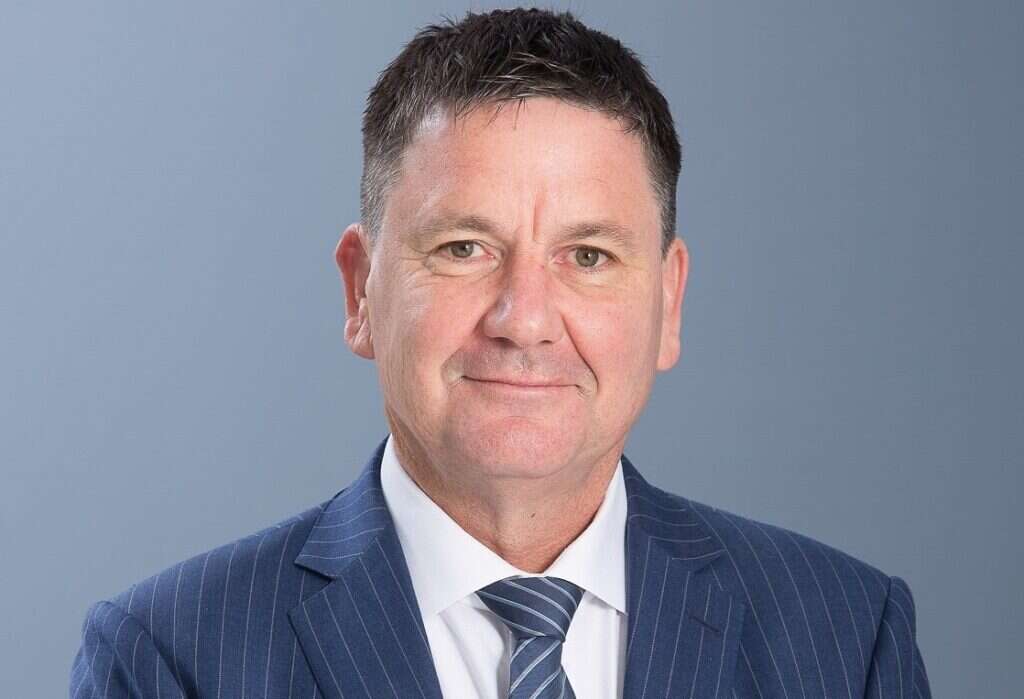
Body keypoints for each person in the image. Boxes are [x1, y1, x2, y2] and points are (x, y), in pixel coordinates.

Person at [70, 8, 931, 698]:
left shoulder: (847, 638)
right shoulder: (171, 658)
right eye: (464, 248)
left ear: (668, 302)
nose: (524, 320)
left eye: (588, 255)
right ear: (361, 292)